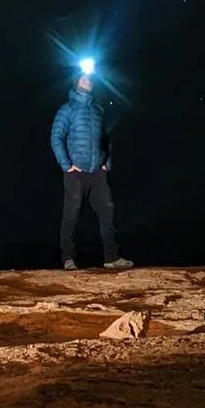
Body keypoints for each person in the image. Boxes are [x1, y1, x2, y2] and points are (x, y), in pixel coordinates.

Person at [49, 70, 132, 269]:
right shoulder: (67, 109)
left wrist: (106, 164)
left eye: (90, 78)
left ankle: (112, 258)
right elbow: (56, 137)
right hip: (76, 173)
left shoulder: (98, 109)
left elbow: (106, 138)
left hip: (97, 172)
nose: (89, 81)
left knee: (107, 212)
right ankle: (68, 258)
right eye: (84, 78)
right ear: (76, 81)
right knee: (71, 214)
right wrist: (67, 166)